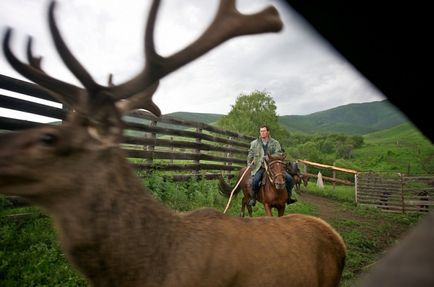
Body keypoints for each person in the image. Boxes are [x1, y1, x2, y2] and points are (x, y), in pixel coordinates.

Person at [247, 125, 297, 206]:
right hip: (260, 166)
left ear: (268, 132)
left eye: (264, 131)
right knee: (255, 180)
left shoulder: (275, 143)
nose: (262, 133)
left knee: (289, 179)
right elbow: (250, 154)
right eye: (261, 131)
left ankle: (289, 197)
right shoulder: (254, 143)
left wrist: (270, 157)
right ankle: (253, 198)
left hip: (273, 166)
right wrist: (249, 164)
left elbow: (279, 153)